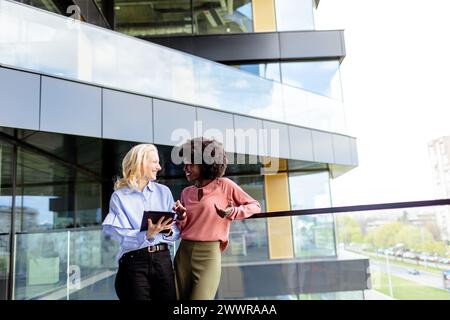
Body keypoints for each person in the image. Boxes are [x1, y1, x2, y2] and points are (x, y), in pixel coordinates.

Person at [173, 137, 261, 300]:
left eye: (190, 164)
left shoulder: (225, 185)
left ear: (205, 164)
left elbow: (255, 205)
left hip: (209, 255)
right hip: (183, 252)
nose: (185, 168)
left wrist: (232, 212)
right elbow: (183, 227)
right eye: (184, 164)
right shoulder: (186, 192)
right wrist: (182, 216)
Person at [102, 143, 181, 300]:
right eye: (154, 162)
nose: (159, 167)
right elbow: (121, 236)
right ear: (140, 162)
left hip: (163, 260)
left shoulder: (164, 192)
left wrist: (170, 229)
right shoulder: (119, 197)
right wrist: (147, 234)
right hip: (134, 263)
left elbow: (176, 230)